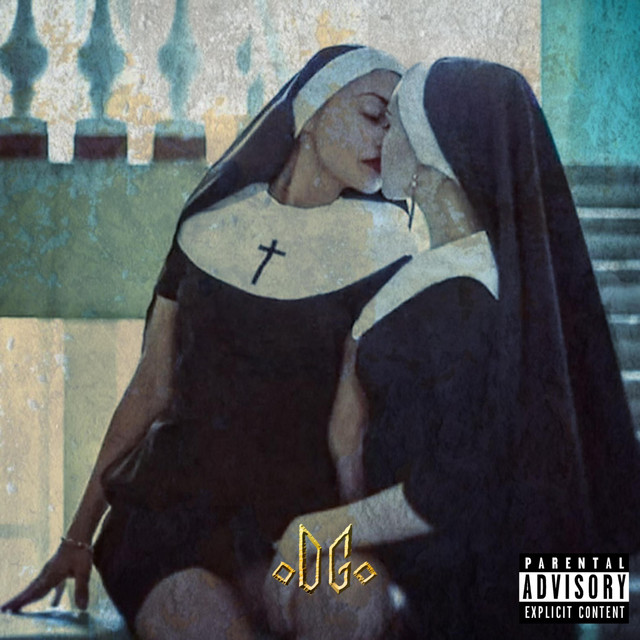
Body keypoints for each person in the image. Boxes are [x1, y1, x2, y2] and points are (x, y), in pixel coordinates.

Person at [1, 45, 425, 639]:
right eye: (374, 114)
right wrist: (77, 537)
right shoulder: (209, 226)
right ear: (309, 113)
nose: (386, 138)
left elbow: (348, 430)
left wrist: (360, 539)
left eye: (397, 126)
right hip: (177, 520)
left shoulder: (387, 248)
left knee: (353, 611)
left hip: (303, 527)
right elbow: (150, 389)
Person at [316, 59, 640, 638]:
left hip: (460, 586)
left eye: (395, 121)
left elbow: (454, 485)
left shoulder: (468, 295)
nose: (381, 136)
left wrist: (320, 530)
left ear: (436, 151)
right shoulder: (458, 273)